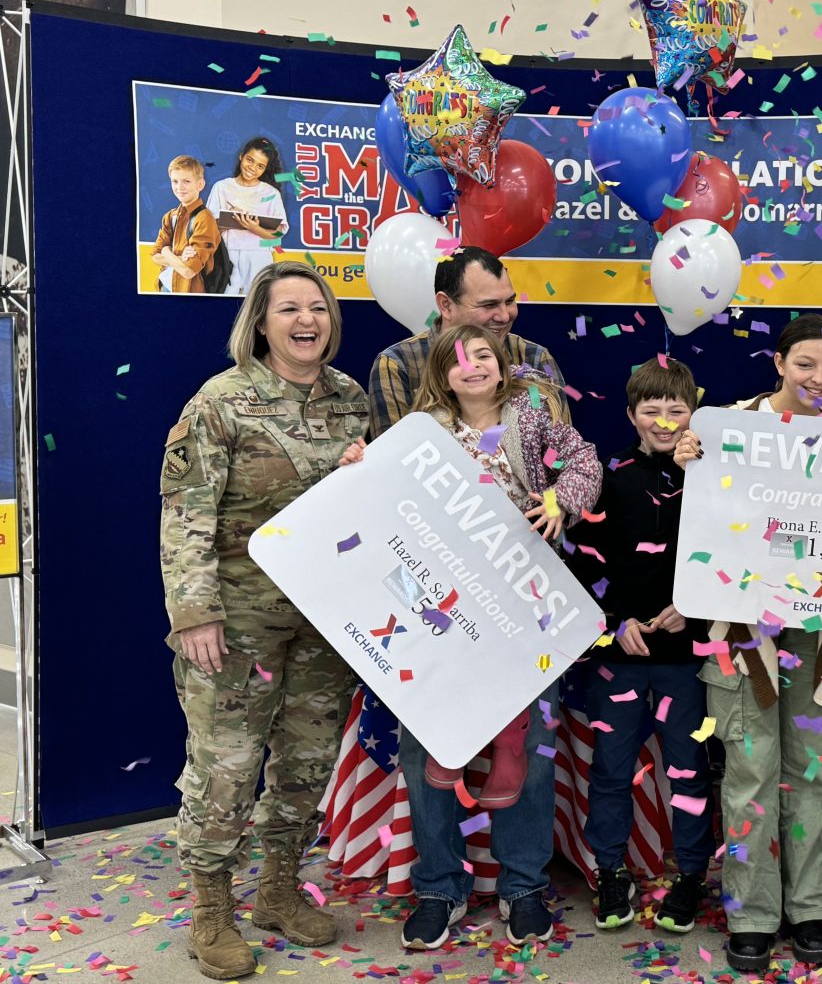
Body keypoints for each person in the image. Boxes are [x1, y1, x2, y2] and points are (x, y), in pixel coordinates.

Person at [343, 323, 599, 949]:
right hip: (441, 609)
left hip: (522, 602)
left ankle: (522, 887)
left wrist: (562, 500)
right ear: (440, 375)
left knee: (533, 746)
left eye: (483, 353)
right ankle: (438, 887)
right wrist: (358, 464)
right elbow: (380, 497)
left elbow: (586, 461)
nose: (474, 366)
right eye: (458, 361)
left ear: (501, 361)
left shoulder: (534, 415)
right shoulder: (418, 432)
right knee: (423, 748)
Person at [160, 261, 368, 980]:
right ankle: (211, 909)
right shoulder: (220, 402)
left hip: (325, 619)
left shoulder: (350, 399)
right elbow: (186, 514)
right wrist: (195, 614)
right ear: (261, 320)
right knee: (227, 766)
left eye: (318, 307)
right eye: (289, 309)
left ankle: (279, 888)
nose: (307, 320)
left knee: (307, 763)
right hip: (239, 619)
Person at [673, 313, 822, 973]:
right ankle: (751, 914)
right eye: (806, 363)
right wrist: (688, 456)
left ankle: (809, 907)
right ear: (779, 362)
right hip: (743, 631)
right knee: (750, 773)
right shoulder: (726, 424)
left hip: (821, 631)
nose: (819, 378)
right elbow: (702, 515)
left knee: (814, 770)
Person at [564, 357, 713, 934]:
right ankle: (609, 870)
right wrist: (613, 619)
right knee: (611, 769)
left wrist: (695, 612)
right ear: (631, 415)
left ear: (693, 415)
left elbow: (727, 560)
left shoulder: (711, 478)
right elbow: (585, 564)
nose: (665, 420)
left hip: (686, 660)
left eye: (677, 410)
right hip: (620, 660)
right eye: (651, 410)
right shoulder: (610, 478)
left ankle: (693, 875)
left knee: (689, 769)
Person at [368, 246, 565, 440]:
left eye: (510, 301)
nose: (505, 316)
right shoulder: (398, 364)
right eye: (488, 305)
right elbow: (394, 461)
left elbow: (562, 453)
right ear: (446, 305)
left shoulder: (536, 358)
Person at [207, 137, 290, 295]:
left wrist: (252, 226)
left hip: (259, 256)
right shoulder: (222, 187)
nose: (252, 168)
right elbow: (209, 229)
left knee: (258, 304)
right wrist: (232, 219)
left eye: (260, 166)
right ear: (241, 156)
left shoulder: (271, 193)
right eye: (249, 160)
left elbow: (277, 235)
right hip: (226, 254)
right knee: (222, 301)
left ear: (265, 169)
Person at [151, 155, 222, 294]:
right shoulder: (170, 216)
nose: (179, 187)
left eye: (186, 181)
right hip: (165, 286)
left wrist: (166, 251)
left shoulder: (205, 219)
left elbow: (188, 271)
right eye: (175, 181)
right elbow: (154, 257)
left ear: (200, 184)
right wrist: (179, 257)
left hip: (188, 291)